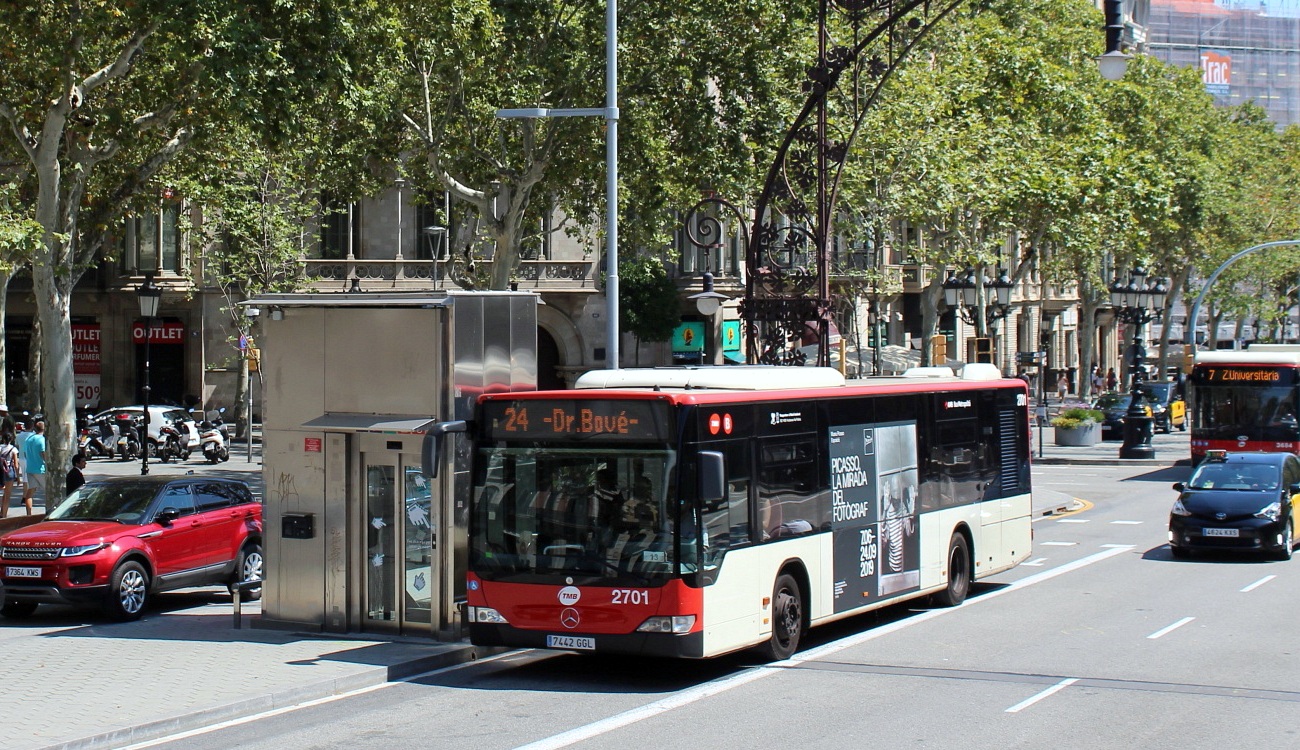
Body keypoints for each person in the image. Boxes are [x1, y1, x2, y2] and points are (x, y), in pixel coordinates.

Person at [21, 420, 46, 515]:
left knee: (29, 493)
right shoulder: (42, 439)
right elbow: (43, 453)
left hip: (30, 468)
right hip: (40, 469)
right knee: (48, 492)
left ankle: (29, 514)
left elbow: (24, 453)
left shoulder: (29, 439)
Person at [0, 435, 17, 518]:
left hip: (0, 471)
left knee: (2, 493)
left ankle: (1, 511)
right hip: (9, 472)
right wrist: (17, 476)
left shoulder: (0, 448)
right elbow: (16, 464)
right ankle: (4, 514)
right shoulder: (13, 449)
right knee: (7, 494)